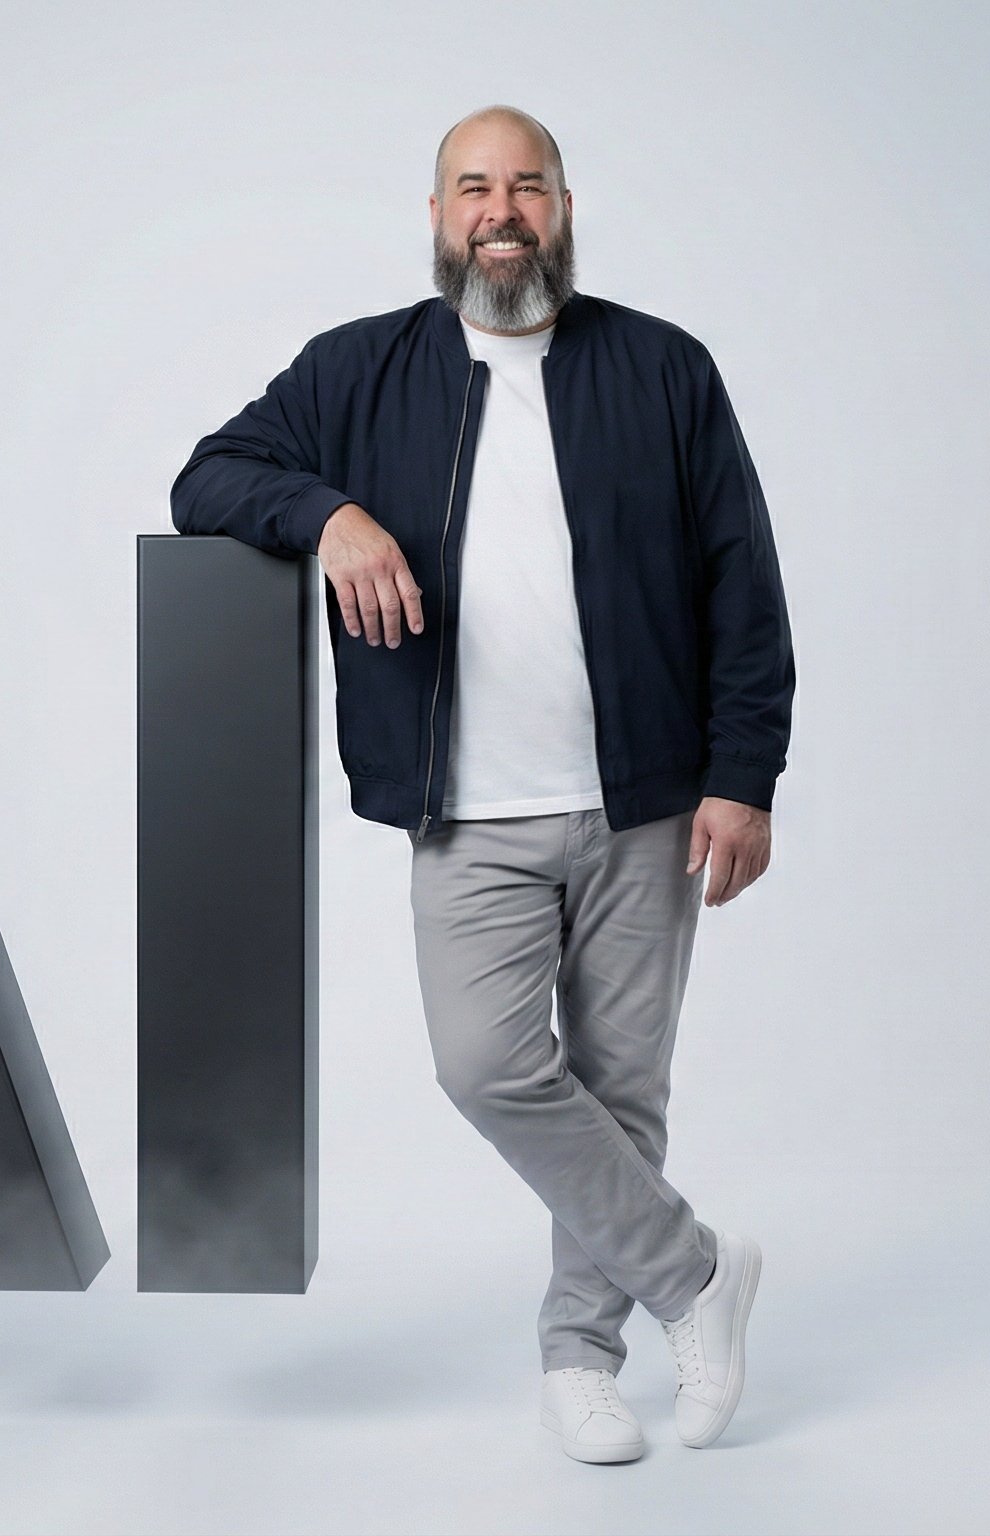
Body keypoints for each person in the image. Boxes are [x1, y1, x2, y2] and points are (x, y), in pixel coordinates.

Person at [169, 104, 795, 1463]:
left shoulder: (663, 368)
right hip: (467, 810)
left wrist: (743, 775)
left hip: (644, 799)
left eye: (529, 186)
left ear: (563, 209)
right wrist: (328, 518)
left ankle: (582, 1356)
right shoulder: (359, 373)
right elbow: (208, 479)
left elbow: (742, 581)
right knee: (488, 1065)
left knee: (623, 1090)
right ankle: (698, 1276)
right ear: (437, 214)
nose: (501, 210)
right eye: (474, 187)